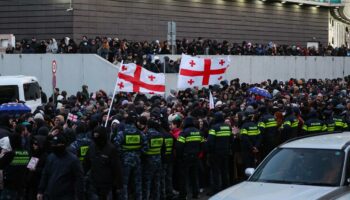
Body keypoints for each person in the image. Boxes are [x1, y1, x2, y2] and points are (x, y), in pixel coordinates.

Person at [37, 128, 84, 200]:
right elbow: (45, 174)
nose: (55, 146)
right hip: (50, 195)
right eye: (54, 144)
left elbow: (79, 179)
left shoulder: (73, 160)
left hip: (66, 196)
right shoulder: (51, 157)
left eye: (57, 144)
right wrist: (40, 191)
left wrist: (79, 196)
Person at [113, 111, 147, 200]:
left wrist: (123, 154)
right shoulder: (140, 133)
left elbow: (116, 146)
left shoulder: (122, 134)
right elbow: (146, 147)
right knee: (138, 183)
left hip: (125, 162)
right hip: (137, 161)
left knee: (124, 184)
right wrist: (138, 153)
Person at [84, 126, 122, 200]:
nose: (96, 139)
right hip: (93, 183)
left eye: (98, 136)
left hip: (106, 186)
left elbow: (117, 168)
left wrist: (119, 185)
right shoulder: (91, 147)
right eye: (95, 136)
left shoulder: (111, 149)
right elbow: (86, 164)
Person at [176, 117, 203, 199]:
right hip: (195, 157)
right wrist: (198, 153)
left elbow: (179, 146)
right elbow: (203, 144)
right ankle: (196, 194)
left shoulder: (183, 133)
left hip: (186, 158)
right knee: (194, 176)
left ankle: (184, 195)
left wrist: (179, 157)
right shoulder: (199, 132)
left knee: (184, 177)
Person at [207, 112, 232, 195]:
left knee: (215, 172)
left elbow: (210, 142)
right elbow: (231, 139)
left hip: (216, 153)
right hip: (226, 152)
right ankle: (226, 188)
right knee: (225, 170)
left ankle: (216, 190)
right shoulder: (228, 127)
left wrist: (210, 151)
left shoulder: (214, 128)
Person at [1, 127, 29, 200]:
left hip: (10, 186)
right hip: (21, 185)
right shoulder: (25, 153)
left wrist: (1, 155)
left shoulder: (10, 154)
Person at [142, 115, 164, 200]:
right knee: (157, 183)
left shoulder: (147, 135)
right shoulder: (160, 135)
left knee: (147, 183)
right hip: (158, 161)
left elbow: (144, 148)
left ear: (148, 126)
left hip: (149, 161)